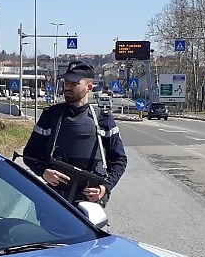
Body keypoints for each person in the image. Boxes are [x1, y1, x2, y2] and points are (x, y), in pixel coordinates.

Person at [21, 61, 127, 205]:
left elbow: (119, 160)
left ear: (89, 87)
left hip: (89, 202)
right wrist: (44, 172)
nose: (67, 87)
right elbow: (30, 154)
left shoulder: (103, 119)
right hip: (54, 198)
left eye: (74, 83)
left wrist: (104, 187)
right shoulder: (51, 116)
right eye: (66, 82)